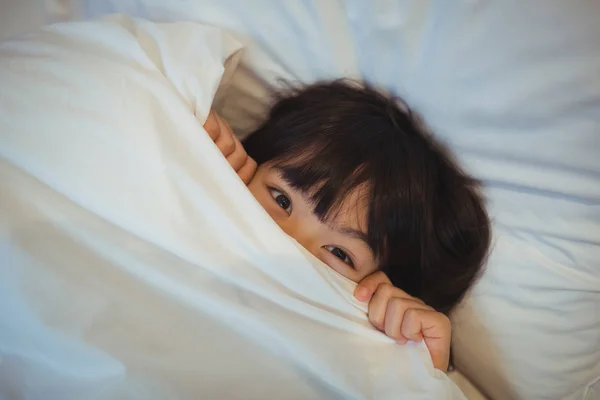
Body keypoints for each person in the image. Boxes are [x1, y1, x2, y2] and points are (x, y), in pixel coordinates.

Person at [203, 80, 491, 372]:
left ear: (380, 290)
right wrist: (187, 150)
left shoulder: (350, 359)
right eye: (282, 200)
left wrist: (418, 371)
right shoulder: (202, 180)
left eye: (339, 253)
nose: (288, 243)